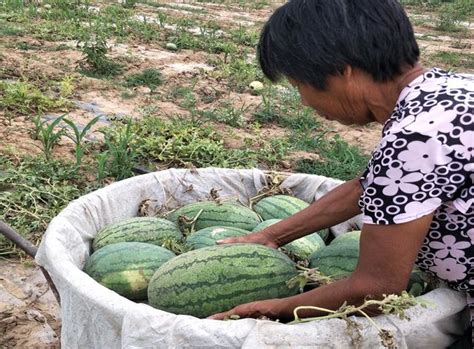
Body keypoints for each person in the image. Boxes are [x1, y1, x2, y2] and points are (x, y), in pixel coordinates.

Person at [208, 0, 473, 346]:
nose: (304, 102)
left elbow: (377, 288)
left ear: (342, 72)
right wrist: (272, 236)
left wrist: (277, 309)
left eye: (299, 85)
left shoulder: (414, 139)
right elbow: (372, 187)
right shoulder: (451, 91)